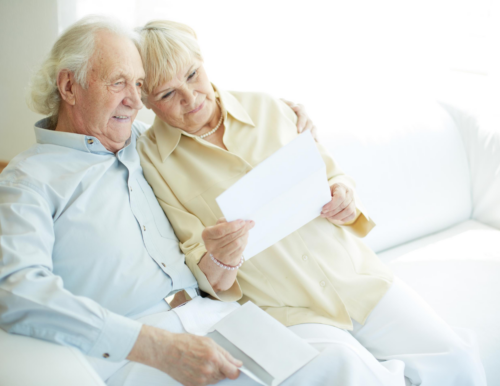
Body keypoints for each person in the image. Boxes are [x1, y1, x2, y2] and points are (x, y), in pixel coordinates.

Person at [0, 16, 365, 386]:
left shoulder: (147, 144)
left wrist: (283, 115)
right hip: (137, 351)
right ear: (69, 86)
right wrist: (156, 347)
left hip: (214, 316)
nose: (134, 100)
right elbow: (15, 290)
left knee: (342, 366)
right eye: (118, 83)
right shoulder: (27, 181)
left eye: (139, 85)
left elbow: (213, 123)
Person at [136, 20, 487, 386]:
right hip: (285, 311)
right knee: (362, 379)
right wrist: (222, 255)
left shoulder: (269, 107)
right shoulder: (153, 162)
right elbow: (207, 274)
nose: (190, 98)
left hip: (351, 275)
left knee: (458, 360)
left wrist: (344, 197)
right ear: (146, 101)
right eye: (167, 94)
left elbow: (333, 176)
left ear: (202, 61)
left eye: (193, 75)